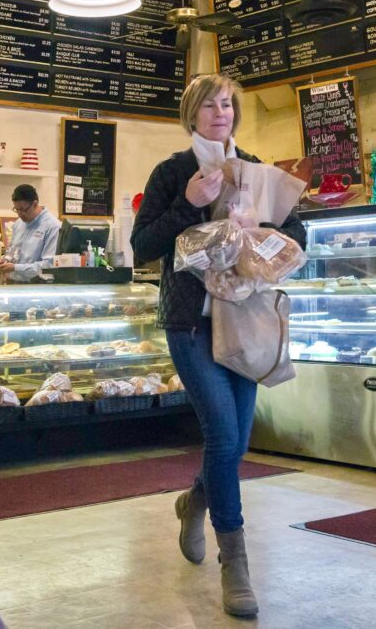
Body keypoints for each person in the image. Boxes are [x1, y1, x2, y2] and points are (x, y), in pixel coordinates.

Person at [130, 73, 305, 618]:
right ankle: (237, 565)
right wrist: (187, 203)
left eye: (227, 104)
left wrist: (262, 231)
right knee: (224, 436)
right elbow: (142, 247)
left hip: (244, 323)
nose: (221, 113)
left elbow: (300, 236)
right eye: (209, 106)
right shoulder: (172, 172)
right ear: (192, 115)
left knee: (234, 442)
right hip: (190, 324)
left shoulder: (255, 169)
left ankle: (194, 503)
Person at [0, 184, 61, 282]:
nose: (20, 214)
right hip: (13, 285)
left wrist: (16, 268)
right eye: (16, 210)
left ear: (35, 204)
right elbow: (13, 252)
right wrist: (5, 260)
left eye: (23, 210)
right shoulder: (18, 224)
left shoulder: (53, 226)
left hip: (37, 288)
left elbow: (49, 265)